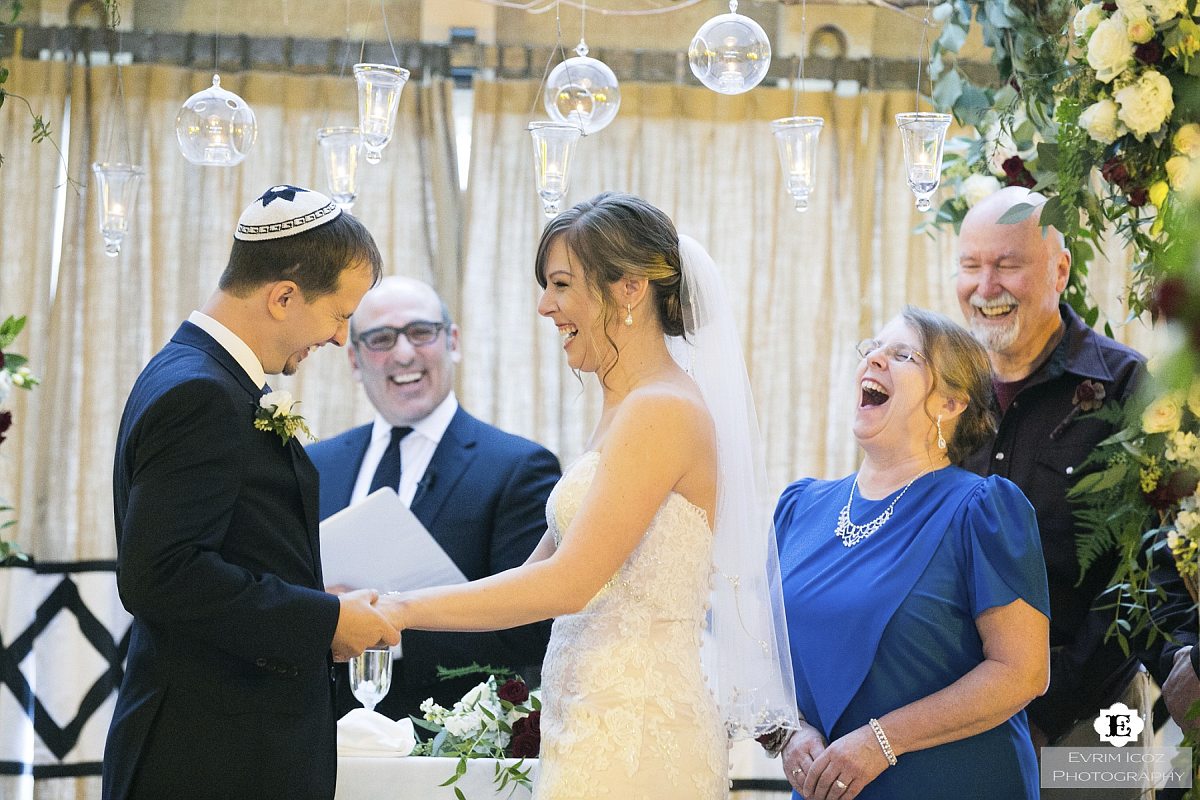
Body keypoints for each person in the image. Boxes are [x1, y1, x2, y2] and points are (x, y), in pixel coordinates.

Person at [377, 192, 797, 799]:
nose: (546, 306)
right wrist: (393, 604)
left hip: (637, 731)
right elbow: (534, 576)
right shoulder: (626, 407)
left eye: (561, 284)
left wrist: (401, 610)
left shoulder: (661, 409)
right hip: (588, 720)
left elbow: (571, 584)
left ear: (628, 288)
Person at [102, 186, 400, 800]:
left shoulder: (201, 375)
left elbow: (227, 551)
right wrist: (324, 623)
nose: (343, 339)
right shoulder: (201, 393)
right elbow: (161, 575)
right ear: (283, 296)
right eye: (340, 315)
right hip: (208, 759)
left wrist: (316, 603)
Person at [955, 187, 1190, 782]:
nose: (986, 286)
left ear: (1060, 270)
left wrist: (1046, 707)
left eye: (1007, 265)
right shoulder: (940, 389)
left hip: (1095, 721)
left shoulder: (1130, 386)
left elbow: (1151, 570)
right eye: (970, 265)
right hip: (952, 710)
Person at [774, 306, 1051, 800]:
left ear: (949, 404)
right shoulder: (799, 510)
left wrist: (881, 741)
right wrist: (787, 732)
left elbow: (1024, 672)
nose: (875, 359)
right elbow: (754, 653)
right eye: (872, 349)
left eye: (903, 355)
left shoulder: (982, 510)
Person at [307, 276, 560, 719]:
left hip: (445, 749)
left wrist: (384, 625)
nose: (404, 353)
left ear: (453, 340)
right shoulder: (314, 465)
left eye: (421, 332)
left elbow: (531, 628)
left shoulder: (518, 468)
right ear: (353, 358)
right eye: (381, 338)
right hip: (318, 741)